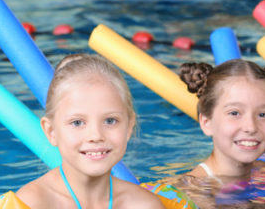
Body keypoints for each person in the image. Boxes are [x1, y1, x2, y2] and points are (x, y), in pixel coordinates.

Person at [16, 54, 164, 208]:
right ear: (51, 131)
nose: (96, 136)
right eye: (77, 122)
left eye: (110, 121)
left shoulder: (144, 205)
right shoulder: (30, 204)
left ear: (128, 126)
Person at [172, 59, 265, 206]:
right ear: (207, 123)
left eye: (263, 114)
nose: (251, 127)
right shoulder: (193, 192)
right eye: (234, 113)